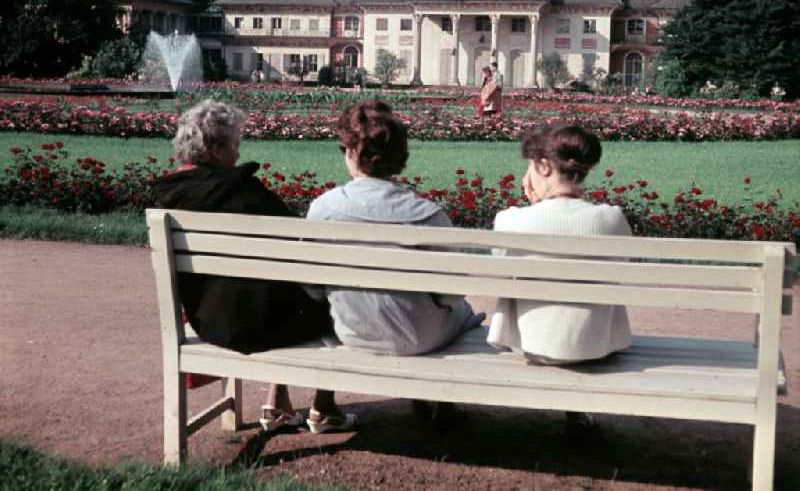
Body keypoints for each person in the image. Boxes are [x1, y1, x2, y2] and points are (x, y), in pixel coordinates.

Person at [152, 99, 351, 434]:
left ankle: (277, 403)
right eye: (235, 143)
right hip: (262, 325)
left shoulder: (167, 198)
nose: (239, 150)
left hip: (209, 323)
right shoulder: (245, 192)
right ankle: (324, 406)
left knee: (272, 290)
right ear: (215, 149)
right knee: (329, 298)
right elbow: (298, 251)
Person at [306, 100, 484, 356]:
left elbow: (315, 289)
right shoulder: (428, 215)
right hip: (421, 337)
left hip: (354, 332)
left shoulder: (323, 209)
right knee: (463, 311)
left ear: (350, 152)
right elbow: (450, 295)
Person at [487, 124, 631, 432]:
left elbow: (501, 269)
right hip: (596, 347)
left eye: (530, 167)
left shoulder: (510, 220)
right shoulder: (611, 219)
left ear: (543, 165)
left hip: (533, 345)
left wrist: (535, 206)